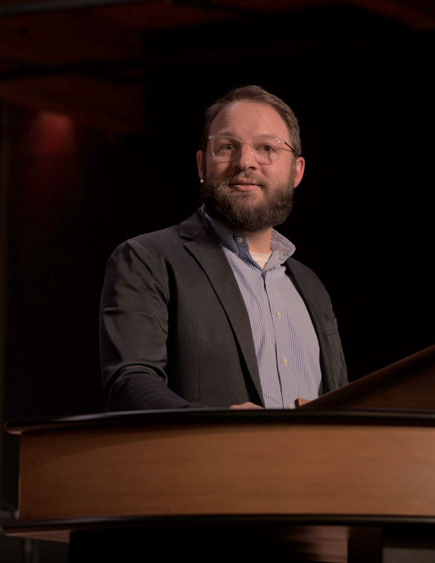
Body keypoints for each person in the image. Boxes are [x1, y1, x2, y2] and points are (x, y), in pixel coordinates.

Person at [99, 85, 347, 411]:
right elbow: (129, 384)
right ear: (202, 165)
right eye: (228, 146)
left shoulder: (311, 287)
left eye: (267, 148)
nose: (245, 161)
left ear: (296, 171)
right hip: (208, 462)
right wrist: (220, 425)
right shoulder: (147, 261)